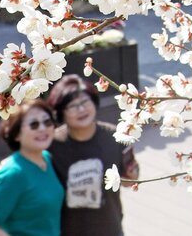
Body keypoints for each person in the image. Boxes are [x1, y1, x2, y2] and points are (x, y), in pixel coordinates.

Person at [47, 74, 139, 236]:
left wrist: (132, 172)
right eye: (73, 106)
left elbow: (130, 180)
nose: (81, 109)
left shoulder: (115, 137)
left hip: (109, 228)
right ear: (61, 112)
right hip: (66, 230)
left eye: (84, 102)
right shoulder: (51, 145)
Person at [0, 99, 66, 236]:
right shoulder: (11, 174)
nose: (42, 128)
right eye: (34, 125)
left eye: (47, 122)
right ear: (16, 134)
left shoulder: (47, 158)